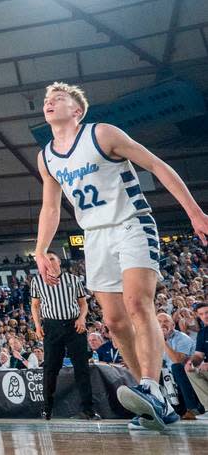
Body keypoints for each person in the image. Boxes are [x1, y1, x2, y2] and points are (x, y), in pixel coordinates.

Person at [34, 81, 208, 431]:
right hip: (94, 236)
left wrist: (194, 211)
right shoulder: (46, 157)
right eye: (46, 101)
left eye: (59, 99)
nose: (50, 103)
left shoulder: (102, 134)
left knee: (137, 303)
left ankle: (150, 387)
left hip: (132, 223)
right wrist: (39, 251)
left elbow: (157, 165)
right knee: (114, 322)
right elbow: (51, 208)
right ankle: (152, 401)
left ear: (77, 110)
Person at [29, 251, 97, 420]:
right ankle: (47, 408)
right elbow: (35, 306)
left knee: (81, 367)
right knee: (50, 369)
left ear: (59, 262)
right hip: (52, 326)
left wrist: (82, 318)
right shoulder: (37, 281)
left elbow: (83, 304)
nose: (49, 261)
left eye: (52, 258)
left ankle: (88, 409)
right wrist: (37, 326)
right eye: (46, 259)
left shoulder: (73, 280)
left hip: (74, 325)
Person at [158, 312, 202, 417]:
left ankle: (192, 408)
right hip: (169, 379)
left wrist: (162, 341)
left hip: (188, 376)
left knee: (176, 367)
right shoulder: (152, 340)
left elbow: (177, 360)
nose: (162, 324)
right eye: (159, 322)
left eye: (166, 321)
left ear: (173, 325)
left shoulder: (182, 338)